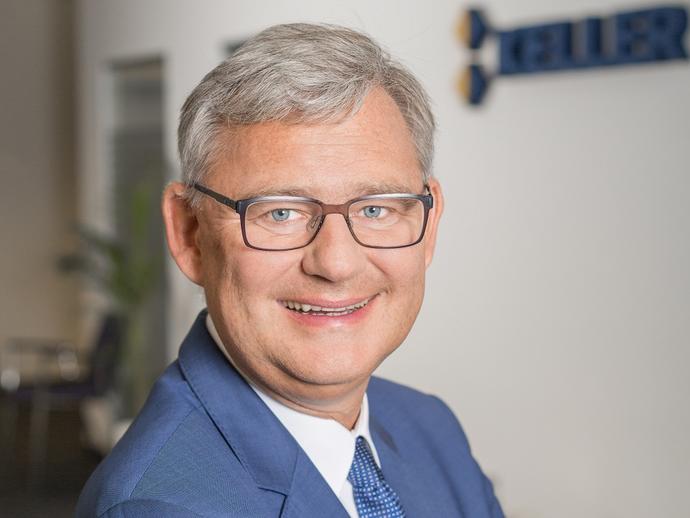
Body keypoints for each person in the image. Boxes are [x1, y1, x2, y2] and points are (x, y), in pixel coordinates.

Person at [77, 23, 504, 517]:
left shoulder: (430, 429)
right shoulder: (160, 506)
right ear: (190, 233)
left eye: (375, 209)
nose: (336, 263)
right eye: (280, 212)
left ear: (428, 226)